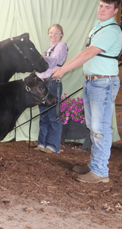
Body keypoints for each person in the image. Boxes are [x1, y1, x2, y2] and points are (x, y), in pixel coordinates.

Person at [52, 0, 122, 183]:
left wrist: (64, 69)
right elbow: (85, 53)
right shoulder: (98, 27)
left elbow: (88, 53)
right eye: (100, 6)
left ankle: (100, 172)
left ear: (115, 11)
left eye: (107, 7)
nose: (102, 10)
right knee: (93, 127)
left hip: (103, 83)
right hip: (92, 82)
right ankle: (94, 165)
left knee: (100, 128)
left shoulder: (111, 30)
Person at [34, 24, 68, 154]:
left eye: (56, 32)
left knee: (53, 115)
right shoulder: (49, 48)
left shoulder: (61, 46)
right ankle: (42, 143)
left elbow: (54, 61)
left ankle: (53, 146)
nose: (53, 35)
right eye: (51, 33)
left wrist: (41, 59)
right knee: (43, 115)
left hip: (52, 82)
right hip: (43, 83)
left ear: (61, 34)